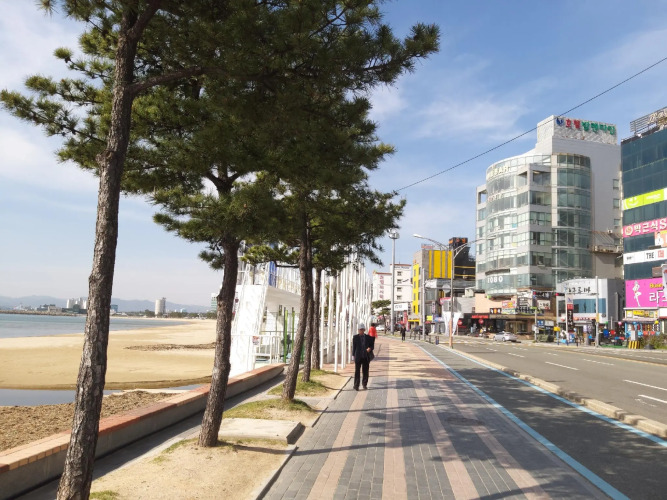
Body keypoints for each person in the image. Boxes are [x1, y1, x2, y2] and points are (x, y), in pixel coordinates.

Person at [352, 323, 375, 390]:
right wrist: (353, 355)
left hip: (365, 357)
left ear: (364, 330)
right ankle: (356, 385)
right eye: (360, 329)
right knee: (357, 371)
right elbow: (354, 347)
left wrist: (370, 348)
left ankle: (364, 384)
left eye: (362, 329)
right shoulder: (355, 337)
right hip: (358, 356)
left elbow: (372, 346)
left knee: (365, 371)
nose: (361, 331)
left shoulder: (368, 337)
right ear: (358, 330)